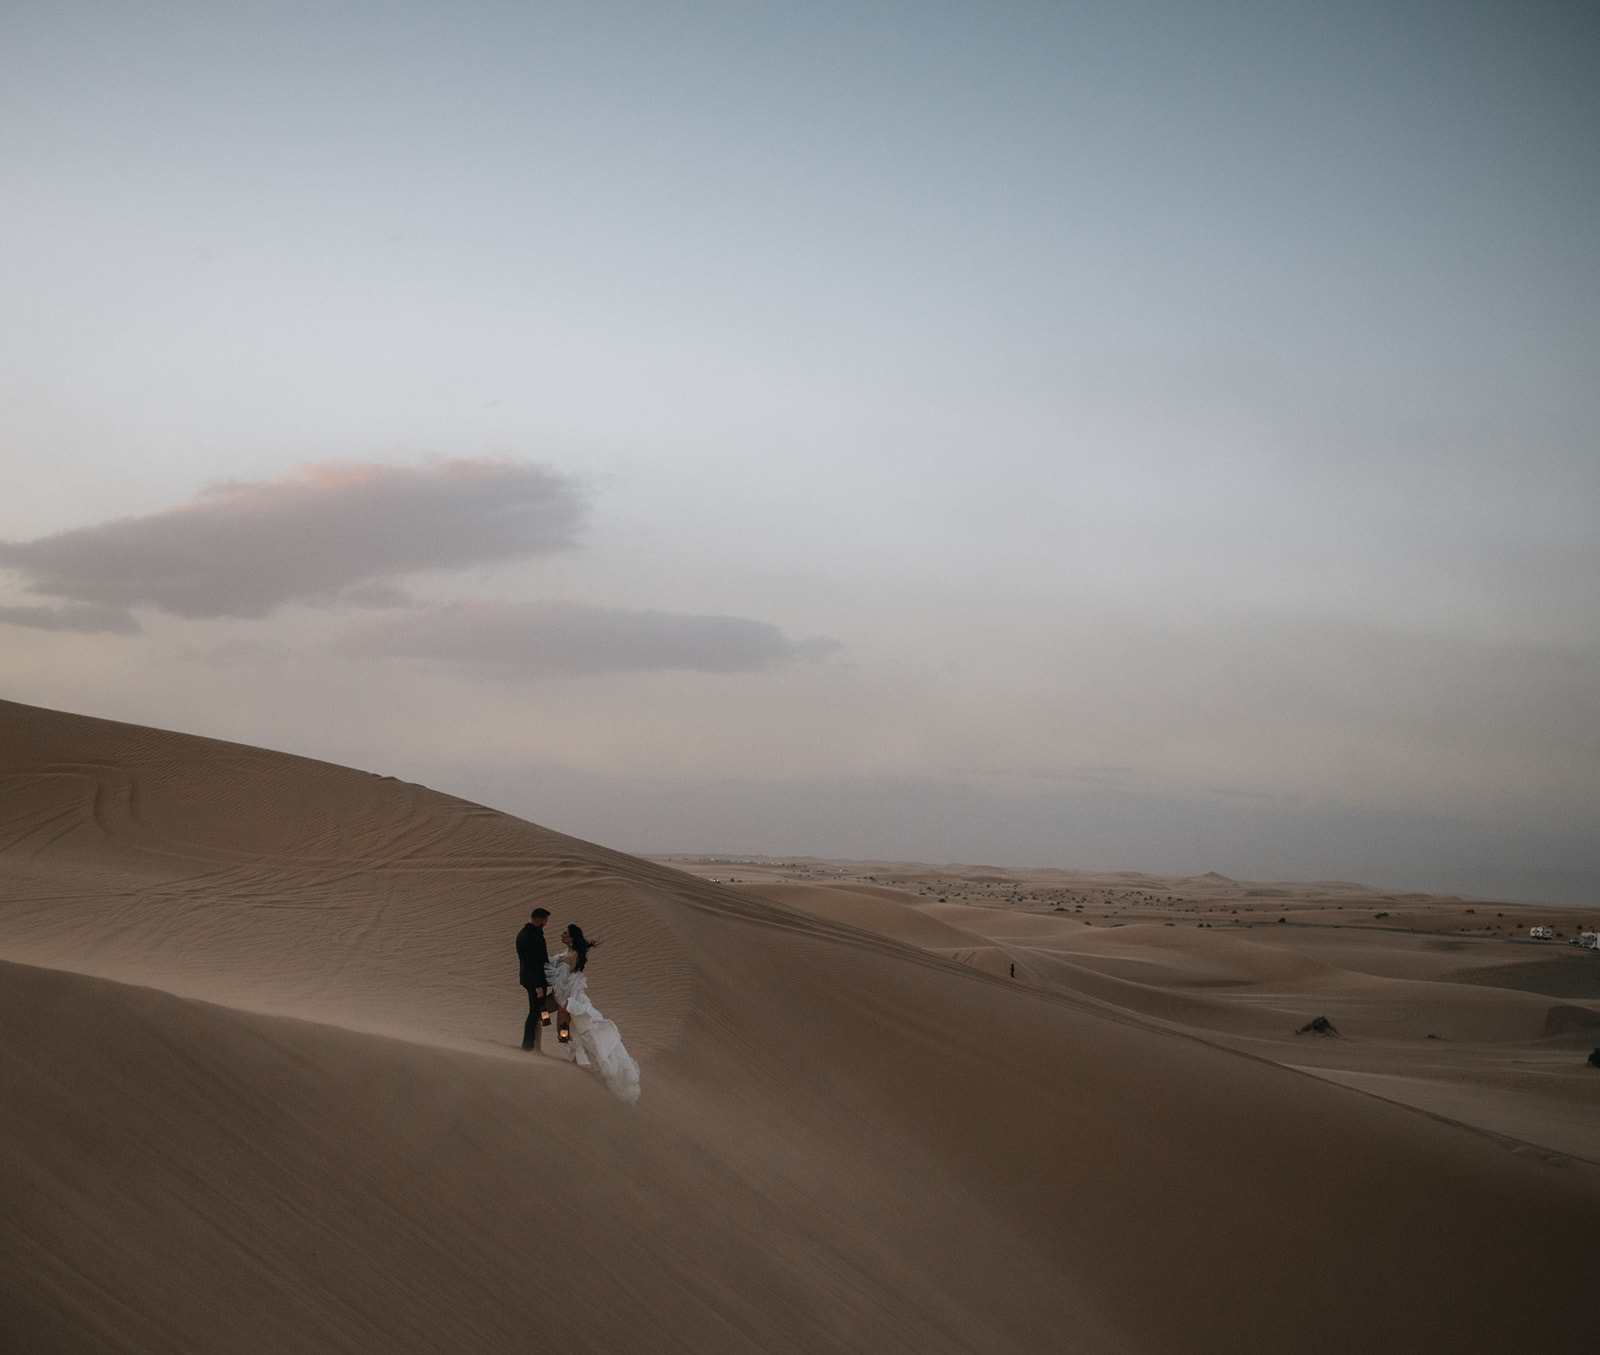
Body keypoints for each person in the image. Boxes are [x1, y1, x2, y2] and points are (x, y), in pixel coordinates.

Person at [545, 923, 641, 1103]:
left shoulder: (573, 955)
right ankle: (569, 1067)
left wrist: (563, 1003)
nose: (562, 934)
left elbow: (564, 982)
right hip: (563, 1000)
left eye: (565, 932)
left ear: (572, 937)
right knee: (568, 1034)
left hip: (568, 1002)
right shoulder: (566, 954)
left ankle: (577, 1072)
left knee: (573, 1034)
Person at [516, 907, 552, 1051]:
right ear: (539, 920)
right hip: (533, 979)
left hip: (529, 978)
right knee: (534, 1011)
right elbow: (532, 962)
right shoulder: (531, 936)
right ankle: (527, 1045)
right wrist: (537, 985)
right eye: (545, 921)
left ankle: (529, 1044)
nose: (546, 924)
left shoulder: (527, 933)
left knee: (535, 1010)